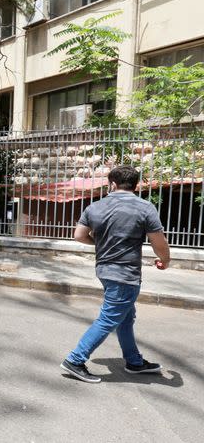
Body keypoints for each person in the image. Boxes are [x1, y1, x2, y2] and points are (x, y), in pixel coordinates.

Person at [60, 165, 171, 384]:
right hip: (125, 274)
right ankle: (75, 359)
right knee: (109, 318)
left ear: (112, 184)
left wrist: (100, 244)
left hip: (104, 269)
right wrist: (165, 260)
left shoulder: (95, 206)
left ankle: (134, 362)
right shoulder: (145, 207)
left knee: (125, 317)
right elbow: (159, 242)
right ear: (136, 185)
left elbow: (79, 235)